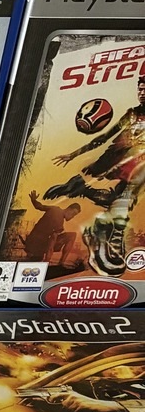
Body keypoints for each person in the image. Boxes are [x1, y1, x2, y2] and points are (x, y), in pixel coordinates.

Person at [44, 65, 145, 276]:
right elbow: (104, 138)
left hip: (138, 168)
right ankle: (110, 238)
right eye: (140, 87)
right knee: (120, 201)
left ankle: (104, 233)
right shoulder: (132, 115)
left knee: (119, 202)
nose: (142, 92)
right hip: (118, 162)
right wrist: (74, 154)